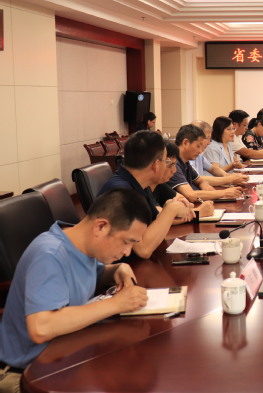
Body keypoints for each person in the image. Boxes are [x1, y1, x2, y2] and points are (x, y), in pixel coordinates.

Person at [0, 189, 151, 392]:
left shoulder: (82, 247)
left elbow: (91, 274)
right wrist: (116, 304)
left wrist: (117, 269)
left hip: (64, 359)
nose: (127, 252)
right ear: (101, 226)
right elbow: (41, 328)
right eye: (126, 242)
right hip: (26, 377)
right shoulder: (50, 255)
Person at [97, 131, 193, 259]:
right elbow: (143, 249)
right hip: (121, 267)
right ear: (156, 165)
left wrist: (170, 207)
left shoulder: (140, 185)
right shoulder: (122, 193)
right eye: (166, 161)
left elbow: (152, 223)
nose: (173, 169)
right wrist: (171, 210)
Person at [167, 124, 243, 203]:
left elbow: (200, 180)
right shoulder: (174, 164)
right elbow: (191, 195)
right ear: (185, 143)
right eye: (198, 146)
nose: (200, 151)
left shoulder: (185, 162)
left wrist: (204, 185)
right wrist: (224, 193)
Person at [152, 142, 214, 220]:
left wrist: (178, 208)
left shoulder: (160, 184)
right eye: (170, 165)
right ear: (156, 164)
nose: (174, 170)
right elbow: (161, 219)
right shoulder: (143, 189)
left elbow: (186, 203)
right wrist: (198, 212)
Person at [190, 120, 248, 187]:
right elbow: (197, 179)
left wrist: (228, 176)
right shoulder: (212, 147)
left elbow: (213, 168)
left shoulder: (199, 154)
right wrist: (230, 179)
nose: (209, 143)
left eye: (233, 129)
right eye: (229, 129)